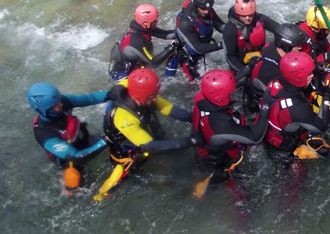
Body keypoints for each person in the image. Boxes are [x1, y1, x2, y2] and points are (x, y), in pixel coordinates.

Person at [95, 68, 195, 201]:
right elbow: (150, 146)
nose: (156, 98)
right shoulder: (123, 116)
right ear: (140, 96)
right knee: (141, 183)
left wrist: (197, 118)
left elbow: (170, 109)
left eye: (155, 94)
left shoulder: (141, 93)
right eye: (152, 96)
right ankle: (99, 197)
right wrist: (192, 141)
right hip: (127, 157)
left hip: (144, 139)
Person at [191, 69, 268, 196]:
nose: (235, 94)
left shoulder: (203, 96)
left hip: (204, 148)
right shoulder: (220, 122)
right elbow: (255, 138)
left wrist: (247, 70)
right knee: (245, 198)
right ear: (221, 98)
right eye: (232, 93)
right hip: (219, 164)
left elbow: (225, 87)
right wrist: (265, 107)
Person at [27, 82, 109, 195]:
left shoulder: (61, 103)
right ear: (44, 110)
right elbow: (76, 156)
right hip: (71, 161)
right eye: (55, 105)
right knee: (78, 186)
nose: (61, 104)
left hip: (87, 141)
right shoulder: (44, 133)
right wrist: (106, 141)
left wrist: (112, 94)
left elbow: (91, 98)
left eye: (59, 101)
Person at [263, 51, 330, 163]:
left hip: (272, 134)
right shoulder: (298, 108)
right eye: (309, 74)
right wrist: (328, 96)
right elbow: (321, 126)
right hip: (284, 150)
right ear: (299, 78)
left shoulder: (276, 81)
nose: (313, 75)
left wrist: (315, 70)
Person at [109, 4, 177, 80]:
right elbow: (153, 62)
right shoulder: (135, 41)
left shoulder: (144, 28)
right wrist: (171, 47)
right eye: (154, 21)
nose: (157, 22)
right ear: (145, 23)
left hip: (136, 64)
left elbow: (165, 35)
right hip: (123, 73)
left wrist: (185, 32)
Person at [174, 0, 226, 81]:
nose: (206, 11)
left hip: (203, 48)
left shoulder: (207, 10)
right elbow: (197, 48)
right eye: (203, 9)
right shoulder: (185, 22)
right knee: (196, 84)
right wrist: (223, 44)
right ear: (195, 5)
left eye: (209, 8)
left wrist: (235, 32)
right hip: (188, 56)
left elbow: (221, 26)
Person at [222, 0, 279, 75]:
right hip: (241, 66)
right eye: (244, 16)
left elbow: (278, 29)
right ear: (238, 14)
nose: (248, 18)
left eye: (250, 15)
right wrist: (244, 71)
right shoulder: (230, 29)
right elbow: (230, 56)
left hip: (260, 60)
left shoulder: (261, 19)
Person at [248, 23, 309, 97]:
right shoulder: (273, 69)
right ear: (286, 46)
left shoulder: (271, 46)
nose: (300, 48)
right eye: (297, 45)